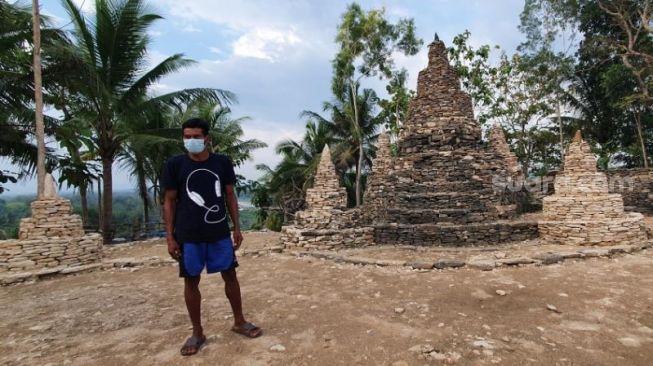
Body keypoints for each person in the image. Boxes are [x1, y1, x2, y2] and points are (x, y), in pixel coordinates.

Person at [163, 118, 262, 357]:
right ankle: (197, 333)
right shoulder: (174, 165)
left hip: (218, 231)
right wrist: (170, 237)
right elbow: (169, 201)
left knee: (230, 275)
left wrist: (237, 228)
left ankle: (239, 321)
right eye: (187, 136)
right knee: (191, 281)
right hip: (188, 234)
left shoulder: (222, 162)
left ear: (207, 138)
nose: (191, 141)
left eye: (196, 136)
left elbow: (230, 195)